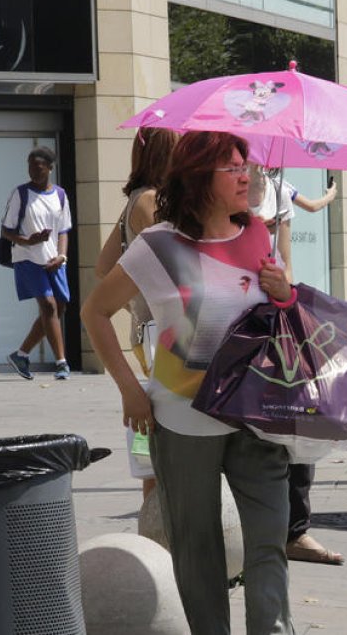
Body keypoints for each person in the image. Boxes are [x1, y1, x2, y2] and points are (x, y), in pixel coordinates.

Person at [82, 131, 295, 634]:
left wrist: (285, 293)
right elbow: (95, 312)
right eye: (234, 168)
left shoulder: (258, 233)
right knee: (197, 551)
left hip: (258, 413)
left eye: (249, 166)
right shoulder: (160, 244)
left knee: (269, 540)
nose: (248, 176)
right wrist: (130, 390)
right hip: (182, 419)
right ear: (201, 177)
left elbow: (278, 315)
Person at [247, 165, 344, 565]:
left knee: (298, 419)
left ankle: (295, 531)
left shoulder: (276, 188)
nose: (245, 168)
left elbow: (286, 263)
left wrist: (283, 295)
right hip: (228, 324)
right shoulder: (211, 191)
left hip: (273, 317)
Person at [96, 127, 179, 500]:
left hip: (146, 331)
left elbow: (103, 265)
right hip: (160, 331)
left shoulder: (134, 201)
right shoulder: (151, 203)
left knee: (155, 433)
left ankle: (154, 514)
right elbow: (177, 265)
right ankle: (157, 519)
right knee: (159, 436)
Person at [1, 146, 73, 380]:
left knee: (59, 307)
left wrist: (62, 256)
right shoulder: (20, 194)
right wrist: (27, 241)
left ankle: (21, 355)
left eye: (38, 167)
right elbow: (6, 231)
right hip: (28, 258)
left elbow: (63, 230)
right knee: (49, 306)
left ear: (50, 169)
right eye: (30, 165)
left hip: (54, 259)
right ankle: (62, 363)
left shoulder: (60, 195)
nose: (33, 170)